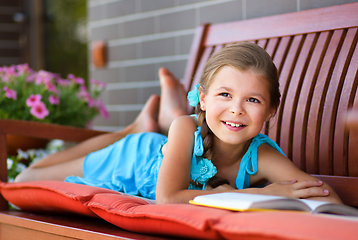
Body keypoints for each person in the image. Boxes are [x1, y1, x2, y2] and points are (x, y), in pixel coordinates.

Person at [15, 43, 342, 205]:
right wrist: (258, 195)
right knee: (25, 179)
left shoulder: (262, 157)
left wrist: (289, 196)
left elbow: (326, 198)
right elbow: (169, 198)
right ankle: (133, 130)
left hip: (169, 145)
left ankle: (149, 122)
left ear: (271, 111)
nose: (237, 110)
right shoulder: (187, 128)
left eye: (252, 100)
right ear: (202, 98)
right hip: (131, 159)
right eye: (225, 94)